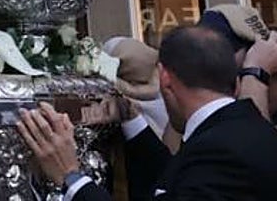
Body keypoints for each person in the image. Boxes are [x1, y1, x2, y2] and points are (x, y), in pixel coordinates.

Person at [17, 25, 277, 200]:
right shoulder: (243, 130)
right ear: (237, 82)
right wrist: (131, 117)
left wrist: (70, 175)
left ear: (164, 78)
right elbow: (174, 183)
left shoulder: (221, 150)